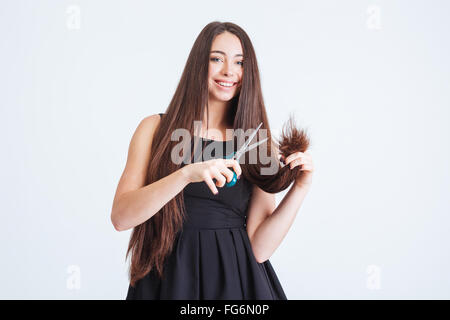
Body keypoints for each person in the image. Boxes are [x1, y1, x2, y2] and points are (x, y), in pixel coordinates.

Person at [111, 21, 314, 300]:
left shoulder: (256, 143)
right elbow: (121, 218)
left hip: (235, 283)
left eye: (240, 63)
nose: (229, 71)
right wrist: (184, 175)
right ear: (198, 65)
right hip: (166, 282)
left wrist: (300, 188)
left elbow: (260, 248)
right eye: (217, 59)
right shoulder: (154, 129)